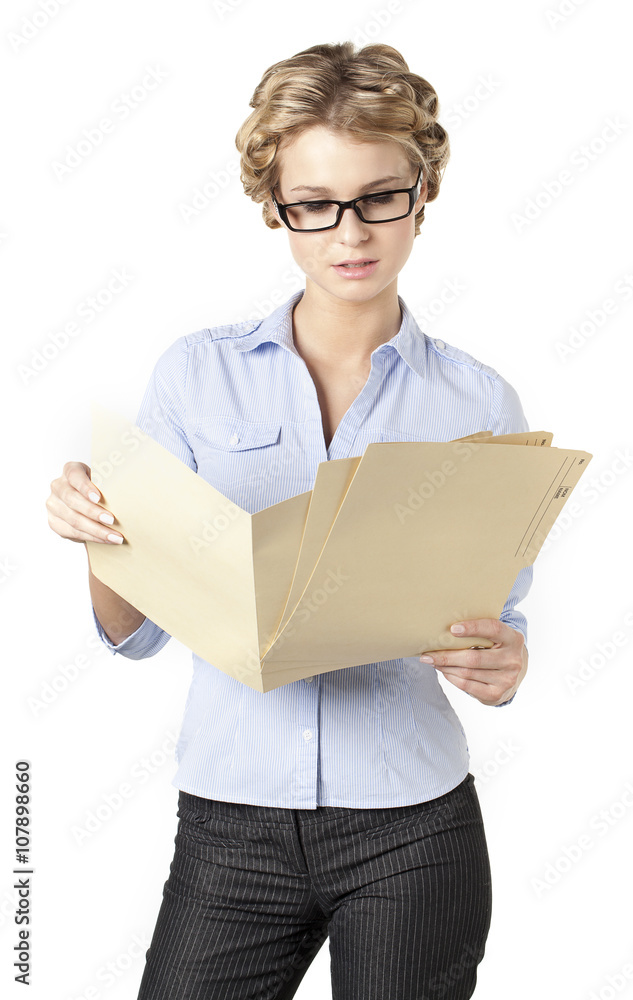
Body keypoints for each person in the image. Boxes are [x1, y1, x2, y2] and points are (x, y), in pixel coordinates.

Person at [46, 41, 530, 1000]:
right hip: (229, 825)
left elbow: (499, 620)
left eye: (378, 197)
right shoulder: (195, 374)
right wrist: (101, 530)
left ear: (422, 194)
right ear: (275, 207)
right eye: (315, 204)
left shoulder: (480, 403)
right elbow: (134, 634)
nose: (350, 233)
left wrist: (504, 663)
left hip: (412, 830)